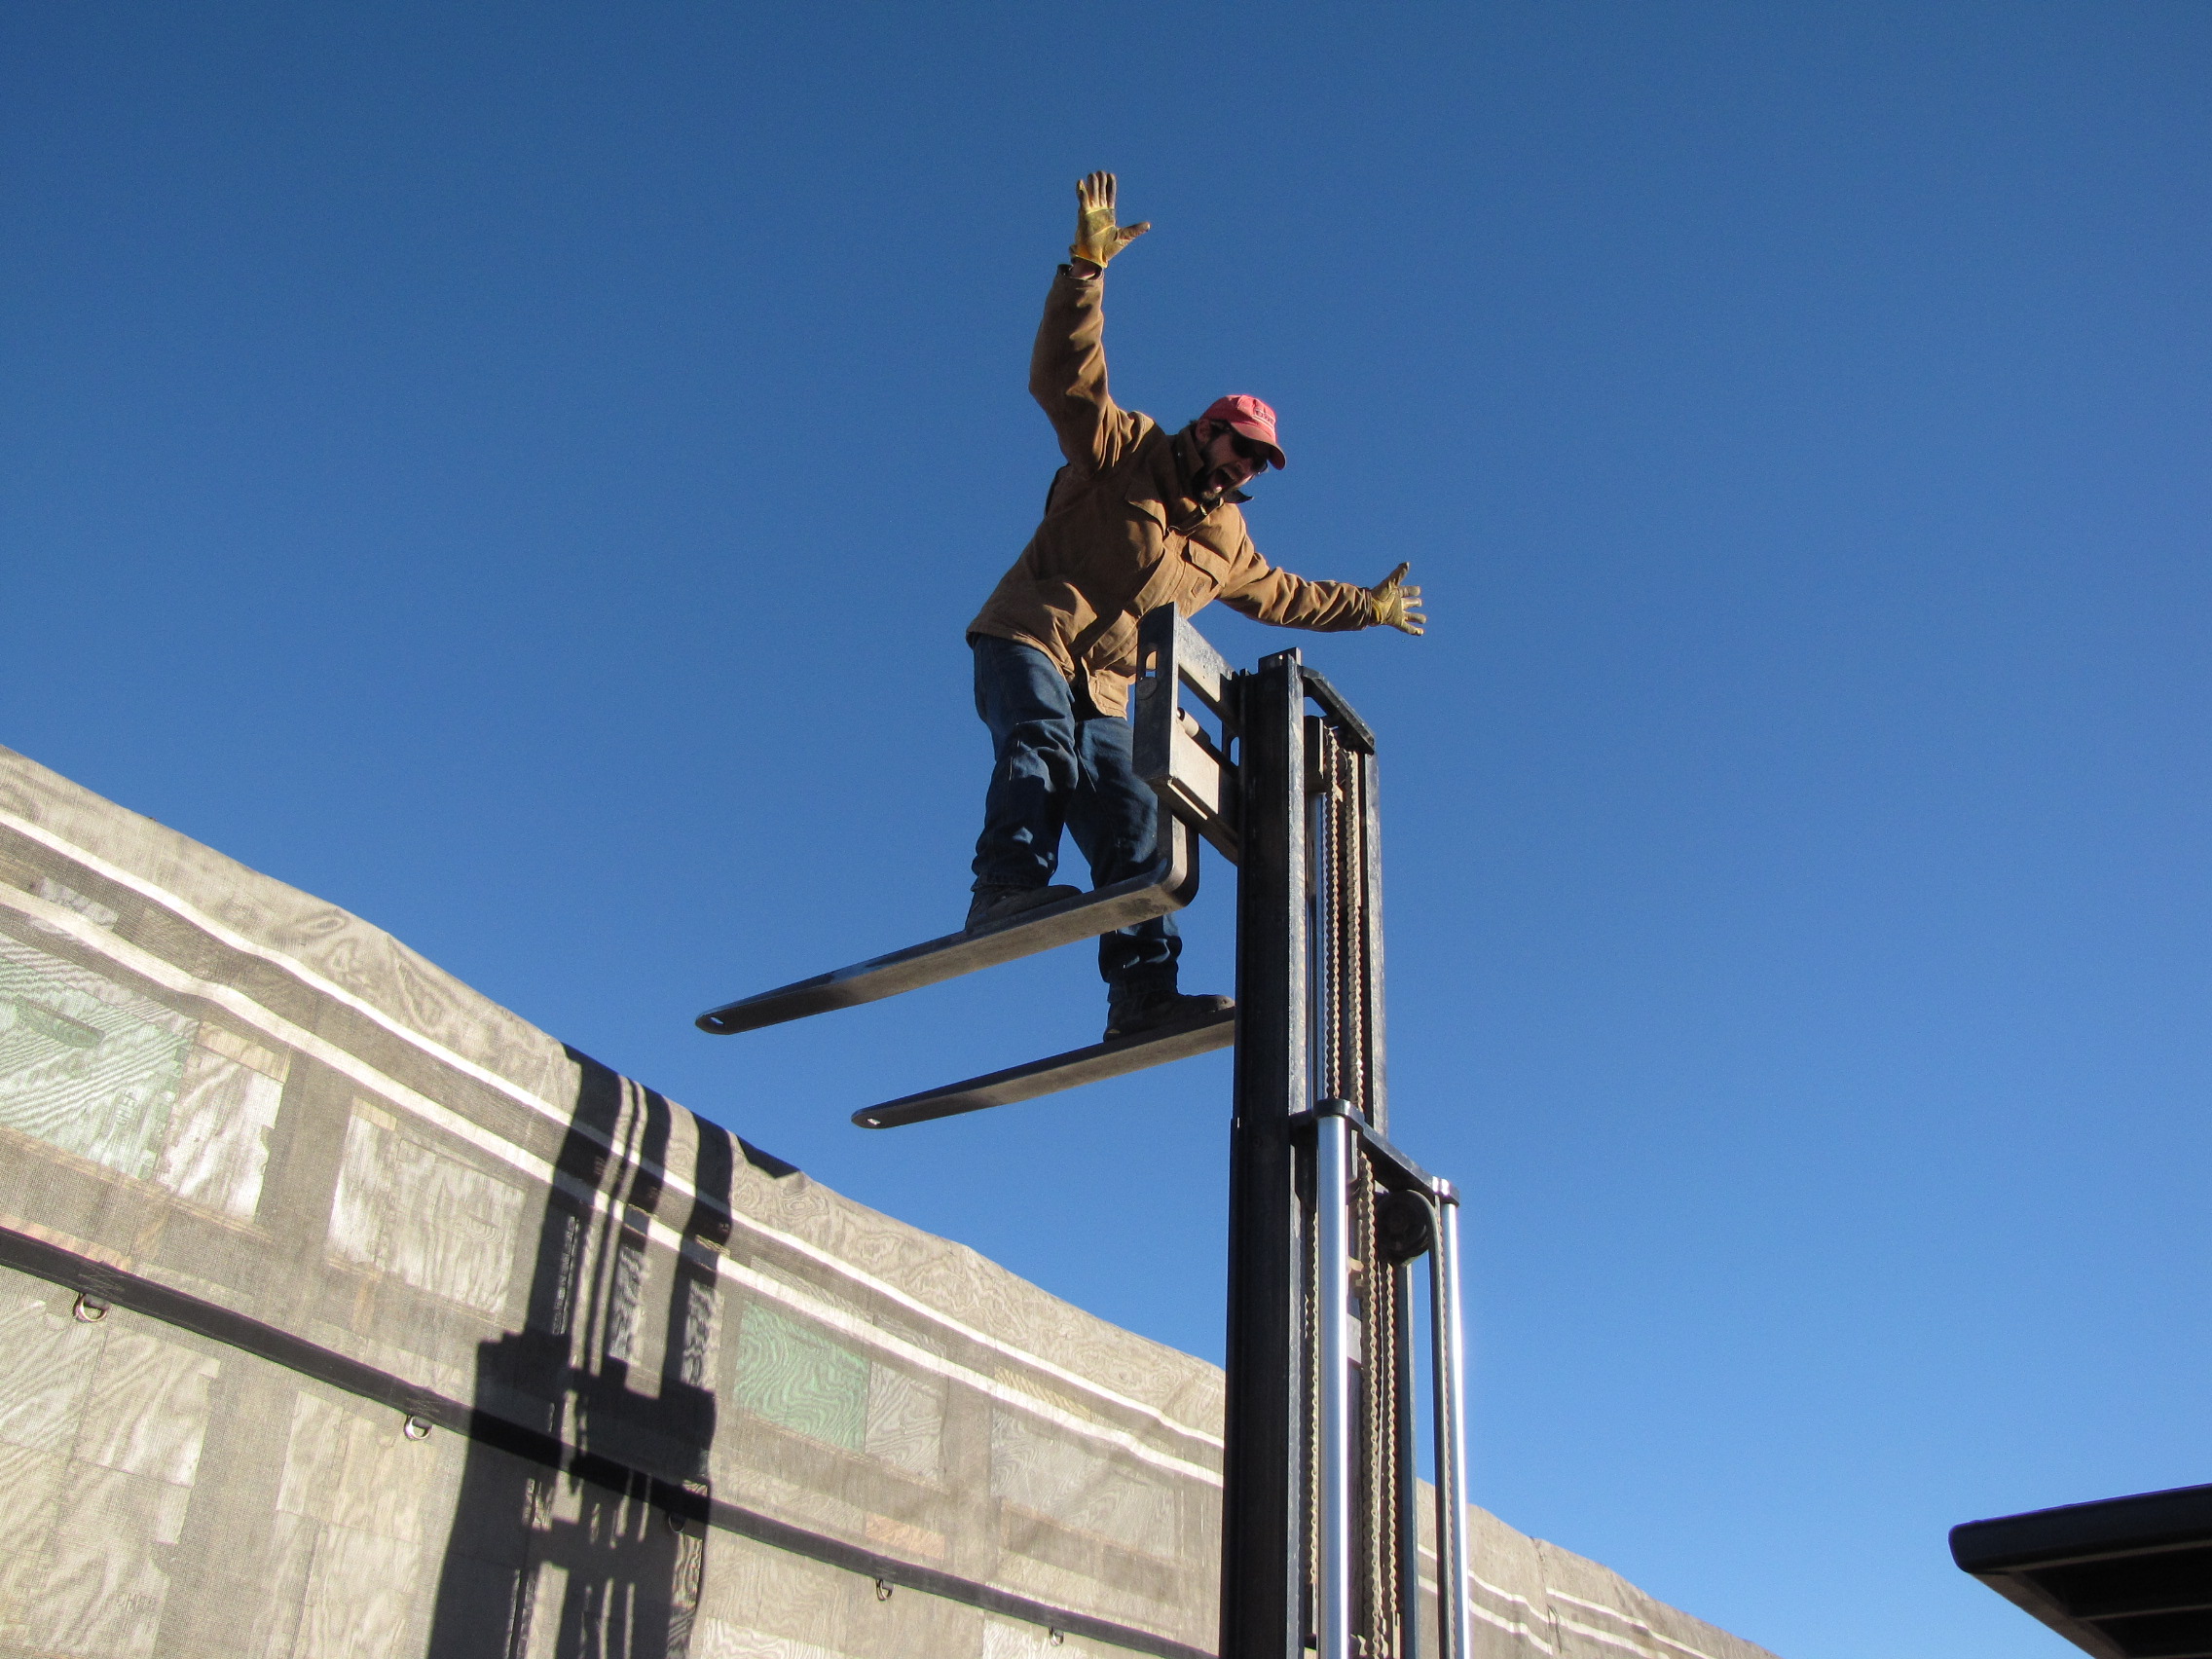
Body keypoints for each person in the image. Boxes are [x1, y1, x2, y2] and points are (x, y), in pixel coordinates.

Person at [965, 172, 1427, 1042]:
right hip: (1029, 635)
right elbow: (1064, 377)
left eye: (1257, 466)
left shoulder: (1227, 544)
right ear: (1207, 428)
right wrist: (1084, 274)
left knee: (1141, 821)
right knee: (1040, 749)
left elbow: (1287, 594)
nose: (1241, 469)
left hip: (1103, 685)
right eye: (1237, 449)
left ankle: (1141, 996)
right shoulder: (1125, 449)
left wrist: (1367, 604)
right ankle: (1006, 887)